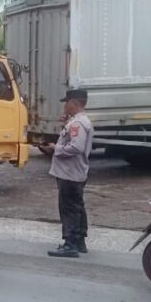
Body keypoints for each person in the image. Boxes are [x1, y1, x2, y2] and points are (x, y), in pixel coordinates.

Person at [41, 89, 94, 258]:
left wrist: (55, 148)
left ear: (75, 103)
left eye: (67, 102)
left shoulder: (78, 123)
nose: (65, 105)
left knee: (69, 208)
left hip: (70, 173)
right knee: (77, 206)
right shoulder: (77, 122)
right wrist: (66, 125)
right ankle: (79, 241)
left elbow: (76, 147)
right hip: (75, 172)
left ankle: (70, 243)